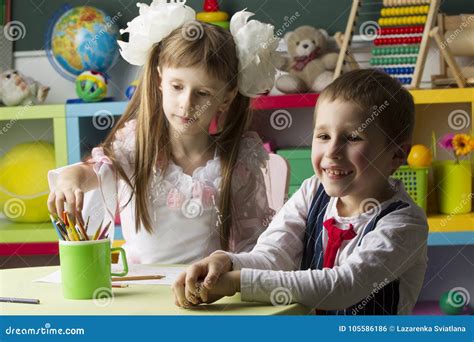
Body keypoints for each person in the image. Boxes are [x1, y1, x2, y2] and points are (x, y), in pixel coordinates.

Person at [172, 69, 428, 315]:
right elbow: (273, 256)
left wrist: (238, 283)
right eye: (324, 136)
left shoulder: (404, 223)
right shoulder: (312, 191)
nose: (332, 152)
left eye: (352, 138)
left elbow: (344, 286)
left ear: (396, 155)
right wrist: (226, 263)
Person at [47, 1, 278, 264]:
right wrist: (71, 179)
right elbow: (94, 171)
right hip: (143, 296)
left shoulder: (238, 162)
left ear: (226, 98)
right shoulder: (136, 148)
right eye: (177, 86)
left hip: (206, 294)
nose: (186, 103)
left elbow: (253, 243)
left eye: (202, 93)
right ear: (159, 80)